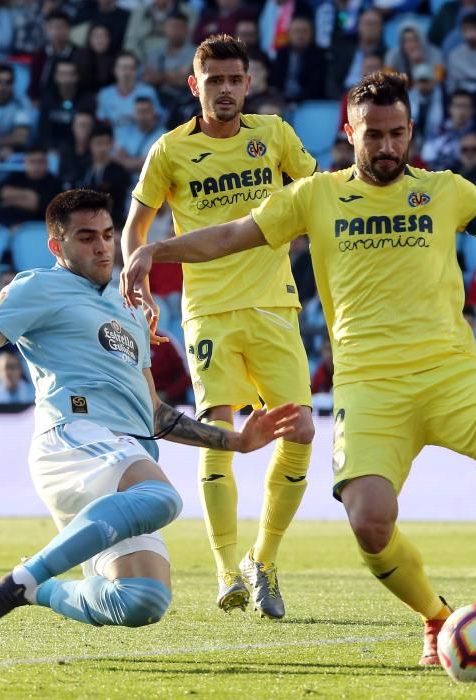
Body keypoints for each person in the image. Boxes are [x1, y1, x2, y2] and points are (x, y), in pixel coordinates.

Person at [122, 72, 476, 661]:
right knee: (369, 522)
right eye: (372, 134)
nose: (386, 147)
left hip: (451, 372)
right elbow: (230, 235)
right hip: (368, 386)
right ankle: (439, 618)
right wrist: (154, 250)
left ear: (411, 132)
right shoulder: (314, 196)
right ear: (350, 132)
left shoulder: (446, 190)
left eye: (397, 133)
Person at [0, 189, 299, 639]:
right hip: (73, 437)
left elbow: (154, 414)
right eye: (87, 237)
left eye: (109, 235)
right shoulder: (38, 286)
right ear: (58, 244)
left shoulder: (131, 308)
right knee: (163, 498)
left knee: (142, 601)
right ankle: (15, 585)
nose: (103, 247)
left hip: (123, 456)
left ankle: (39, 587)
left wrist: (232, 441)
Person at [121, 35, 317, 619]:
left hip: (275, 306)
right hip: (208, 311)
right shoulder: (169, 152)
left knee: (302, 429)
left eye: (235, 80)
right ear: (195, 85)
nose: (226, 90)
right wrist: (140, 278)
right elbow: (137, 229)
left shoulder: (275, 136)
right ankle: (227, 571)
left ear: (247, 83)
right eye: (215, 81)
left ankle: (265, 558)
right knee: (217, 431)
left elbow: (319, 198)